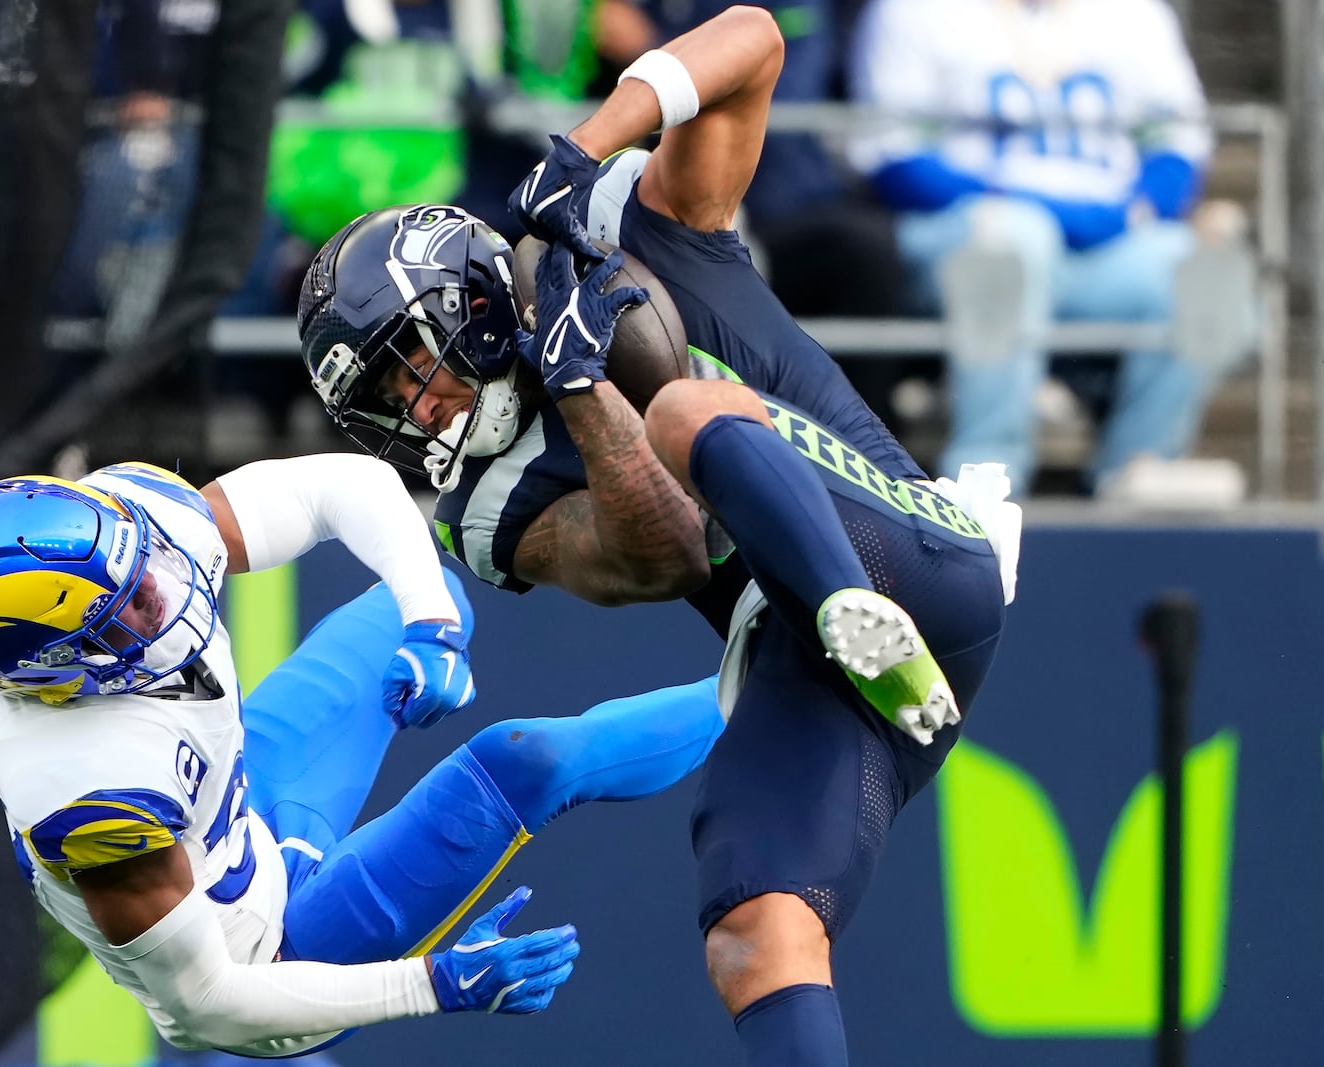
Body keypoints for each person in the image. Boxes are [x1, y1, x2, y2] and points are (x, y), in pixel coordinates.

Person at [296, 8, 1017, 1064]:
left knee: (684, 411)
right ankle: (840, 621)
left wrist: (588, 145)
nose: (418, 408)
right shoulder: (486, 505)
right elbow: (665, 551)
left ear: (471, 303)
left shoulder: (650, 228)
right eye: (386, 398)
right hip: (820, 650)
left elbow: (754, 37)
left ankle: (844, 603)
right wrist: (582, 390)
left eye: (412, 363)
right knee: (755, 931)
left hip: (914, 550)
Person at [0, 454, 723, 1058]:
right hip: (268, 955)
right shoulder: (85, 791)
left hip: (244, 809)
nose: (165, 591)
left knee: (410, 596)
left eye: (146, 571)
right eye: (125, 612)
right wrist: (432, 984)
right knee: (526, 761)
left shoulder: (131, 524)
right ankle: (765, 687)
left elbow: (344, 487)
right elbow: (204, 1008)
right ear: (51, 670)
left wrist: (429, 622)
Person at [847, 0, 1246, 496]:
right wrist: (1029, 204)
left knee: (1211, 271)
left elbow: (1179, 141)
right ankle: (986, 477)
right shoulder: (916, 10)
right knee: (1015, 240)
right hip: (966, 230)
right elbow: (891, 156)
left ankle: (1137, 468)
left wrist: (1134, 211)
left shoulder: (1137, 13)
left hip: (1105, 239)